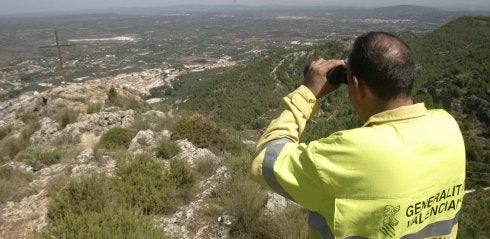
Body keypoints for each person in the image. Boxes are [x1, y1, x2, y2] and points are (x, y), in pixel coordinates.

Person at [251, 31, 465, 239]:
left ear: (357, 86)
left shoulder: (350, 152)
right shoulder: (447, 126)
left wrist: (307, 93)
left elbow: (264, 160)